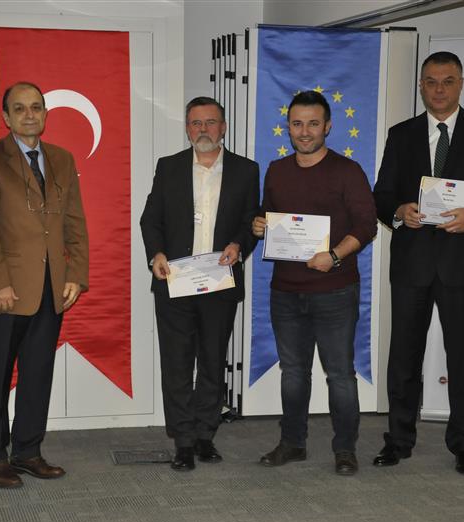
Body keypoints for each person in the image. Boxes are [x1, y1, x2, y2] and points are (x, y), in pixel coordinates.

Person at [372, 51, 464, 476]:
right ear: (421, 85)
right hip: (412, 264)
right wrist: (399, 211)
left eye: (447, 81)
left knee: (463, 360)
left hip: (461, 264)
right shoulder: (401, 134)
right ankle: (398, 441)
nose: (439, 89)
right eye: (431, 81)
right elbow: (381, 195)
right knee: (403, 359)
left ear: (461, 84)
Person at [0, 81, 89, 488]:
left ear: (45, 114)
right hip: (6, 291)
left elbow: (75, 221)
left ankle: (27, 451)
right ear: (6, 117)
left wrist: (76, 274)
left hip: (52, 288)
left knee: (38, 373)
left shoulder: (61, 158)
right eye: (19, 108)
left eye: (36, 107)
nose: (29, 115)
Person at [251, 91, 377, 476]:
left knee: (340, 375)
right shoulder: (276, 170)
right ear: (288, 127)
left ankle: (345, 449)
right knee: (293, 374)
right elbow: (269, 217)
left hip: (335, 290)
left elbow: (367, 226)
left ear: (328, 127)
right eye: (297, 124)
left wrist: (334, 256)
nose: (304, 132)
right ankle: (293, 443)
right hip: (286, 291)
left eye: (313, 124)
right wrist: (259, 224)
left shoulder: (347, 171)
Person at [140, 97, 259, 471]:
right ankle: (183, 441)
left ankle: (206, 435)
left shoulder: (246, 170)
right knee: (176, 364)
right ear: (187, 129)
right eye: (196, 123)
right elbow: (150, 220)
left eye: (210, 122)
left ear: (223, 127)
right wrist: (156, 254)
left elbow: (251, 221)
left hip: (219, 281)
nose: (203, 129)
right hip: (175, 281)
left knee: (212, 361)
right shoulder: (169, 166)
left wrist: (239, 245)